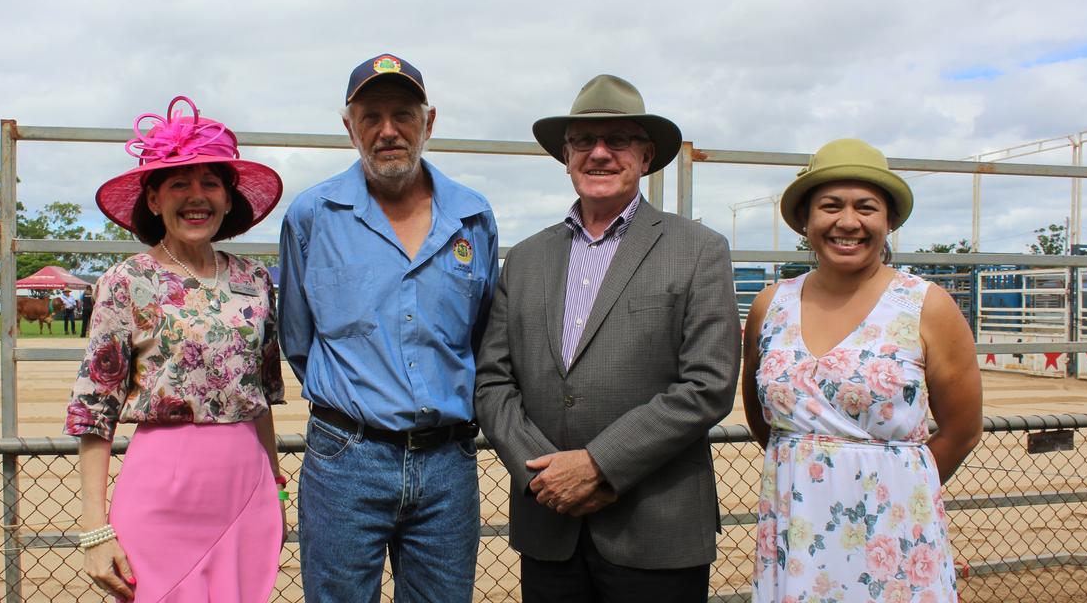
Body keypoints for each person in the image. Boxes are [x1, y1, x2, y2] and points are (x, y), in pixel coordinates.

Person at [475, 74, 742, 602]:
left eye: (617, 140)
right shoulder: (526, 259)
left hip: (656, 527)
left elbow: (708, 384)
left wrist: (597, 464)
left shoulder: (698, 250)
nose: (599, 153)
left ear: (645, 156)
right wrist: (543, 477)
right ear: (566, 156)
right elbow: (492, 383)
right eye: (583, 142)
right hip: (550, 527)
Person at [277, 53, 498, 603]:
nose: (388, 130)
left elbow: (482, 333)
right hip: (346, 456)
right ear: (349, 127)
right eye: (370, 116)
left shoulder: (473, 218)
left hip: (447, 461)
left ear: (430, 122)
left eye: (403, 113)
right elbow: (298, 340)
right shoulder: (312, 216)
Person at [64, 95, 288, 602]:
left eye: (211, 182)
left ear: (229, 199)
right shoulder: (126, 283)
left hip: (245, 487)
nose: (197, 195)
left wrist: (274, 482)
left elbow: (263, 395)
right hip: (161, 494)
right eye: (179, 183)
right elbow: (93, 412)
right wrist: (95, 530)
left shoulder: (254, 280)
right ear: (153, 198)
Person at [741, 138, 983, 601]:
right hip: (797, 527)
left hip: (893, 531)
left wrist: (898, 484)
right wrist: (812, 465)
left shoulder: (925, 306)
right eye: (830, 206)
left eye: (866, 208)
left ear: (888, 221)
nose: (848, 222)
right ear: (806, 222)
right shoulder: (771, 306)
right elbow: (764, 417)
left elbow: (963, 430)